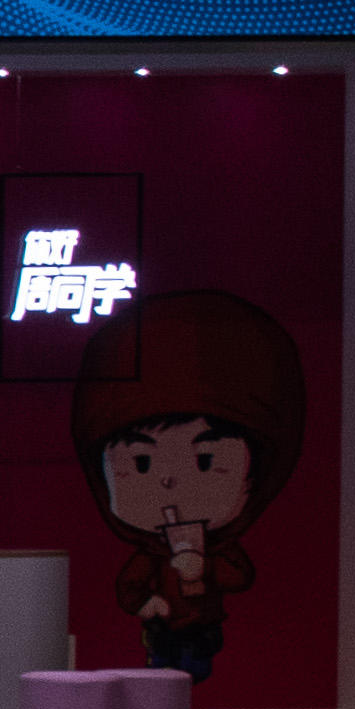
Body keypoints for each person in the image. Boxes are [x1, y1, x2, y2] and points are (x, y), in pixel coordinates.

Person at [69, 286, 307, 685]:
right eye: (141, 462)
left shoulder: (218, 549)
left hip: (202, 626)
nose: (169, 480)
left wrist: (204, 566)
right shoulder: (151, 554)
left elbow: (239, 576)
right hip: (162, 626)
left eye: (205, 460)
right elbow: (129, 585)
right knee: (161, 671)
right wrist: (147, 602)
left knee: (193, 663)